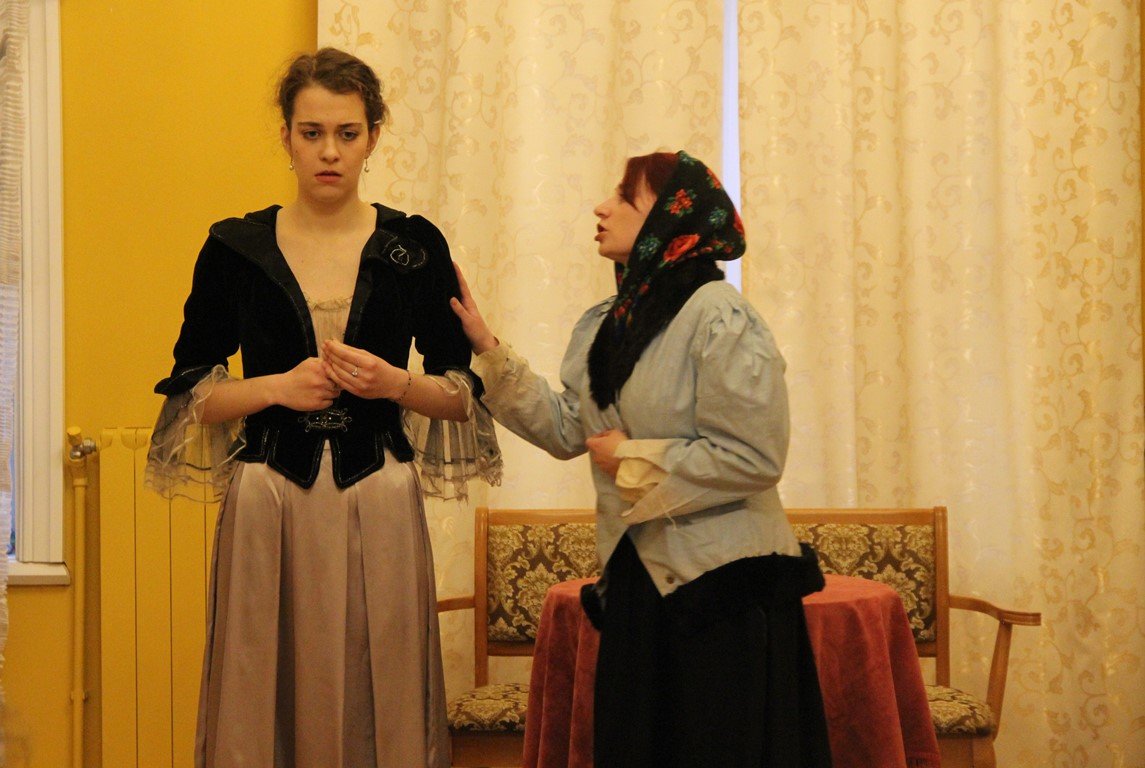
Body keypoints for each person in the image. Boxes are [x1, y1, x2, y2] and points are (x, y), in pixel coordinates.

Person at [145, 48, 499, 768]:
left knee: (382, 681)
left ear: (373, 137)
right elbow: (192, 399)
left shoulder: (413, 246)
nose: (329, 151)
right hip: (268, 498)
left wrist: (395, 385)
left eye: (346, 133)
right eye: (312, 133)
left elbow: (460, 397)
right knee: (260, 682)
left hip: (380, 495)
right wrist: (276, 388)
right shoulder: (234, 248)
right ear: (286, 136)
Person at [450, 151, 832, 767]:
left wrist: (632, 458)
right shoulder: (610, 322)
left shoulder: (720, 314)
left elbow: (755, 456)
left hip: (722, 595)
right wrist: (487, 347)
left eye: (625, 197)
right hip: (636, 583)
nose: (601, 208)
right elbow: (569, 429)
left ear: (670, 219)